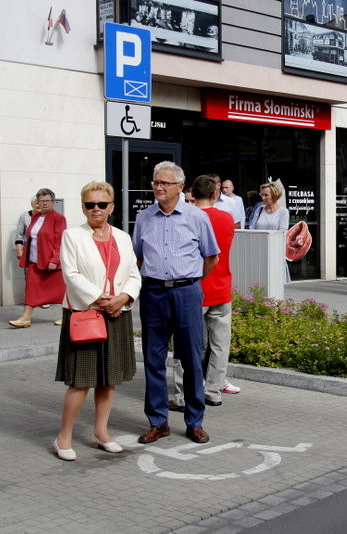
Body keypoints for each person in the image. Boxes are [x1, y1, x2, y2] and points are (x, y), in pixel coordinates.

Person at [53, 182, 142, 461]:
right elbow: (71, 274)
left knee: (108, 379)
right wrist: (102, 298)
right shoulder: (72, 236)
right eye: (90, 204)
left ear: (111, 207)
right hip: (86, 314)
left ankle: (101, 432)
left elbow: (133, 274)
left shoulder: (123, 237)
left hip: (117, 314)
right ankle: (64, 436)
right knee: (81, 380)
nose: (96, 209)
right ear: (83, 207)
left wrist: (123, 297)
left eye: (101, 204)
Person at [133, 161, 220, 445]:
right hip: (154, 294)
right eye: (155, 182)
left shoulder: (196, 217)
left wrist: (190, 281)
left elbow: (211, 257)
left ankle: (195, 421)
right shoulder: (144, 217)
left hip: (186, 293)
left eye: (164, 183)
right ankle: (158, 422)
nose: (157, 187)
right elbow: (138, 257)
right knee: (153, 360)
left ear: (180, 187)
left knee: (192, 360)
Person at [170, 175, 238, 412]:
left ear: (191, 193)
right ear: (215, 194)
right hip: (222, 288)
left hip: (193, 289)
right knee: (220, 345)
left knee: (187, 344)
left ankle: (182, 395)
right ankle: (213, 391)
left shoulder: (187, 218)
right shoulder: (227, 218)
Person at [9, 188, 66, 328]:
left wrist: (54, 260)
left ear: (53, 202)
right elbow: (29, 237)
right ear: (37, 202)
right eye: (42, 201)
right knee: (31, 288)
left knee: (61, 291)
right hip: (34, 261)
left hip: (50, 262)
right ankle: (25, 318)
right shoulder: (35, 217)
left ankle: (68, 316)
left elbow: (60, 241)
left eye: (48, 201)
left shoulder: (59, 218)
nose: (45, 203)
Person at [252, 182, 291, 283]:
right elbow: (252, 229)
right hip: (258, 251)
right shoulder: (259, 210)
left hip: (274, 252)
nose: (263, 197)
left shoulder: (283, 212)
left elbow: (282, 233)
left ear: (274, 195)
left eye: (266, 195)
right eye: (262, 194)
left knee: (274, 283)